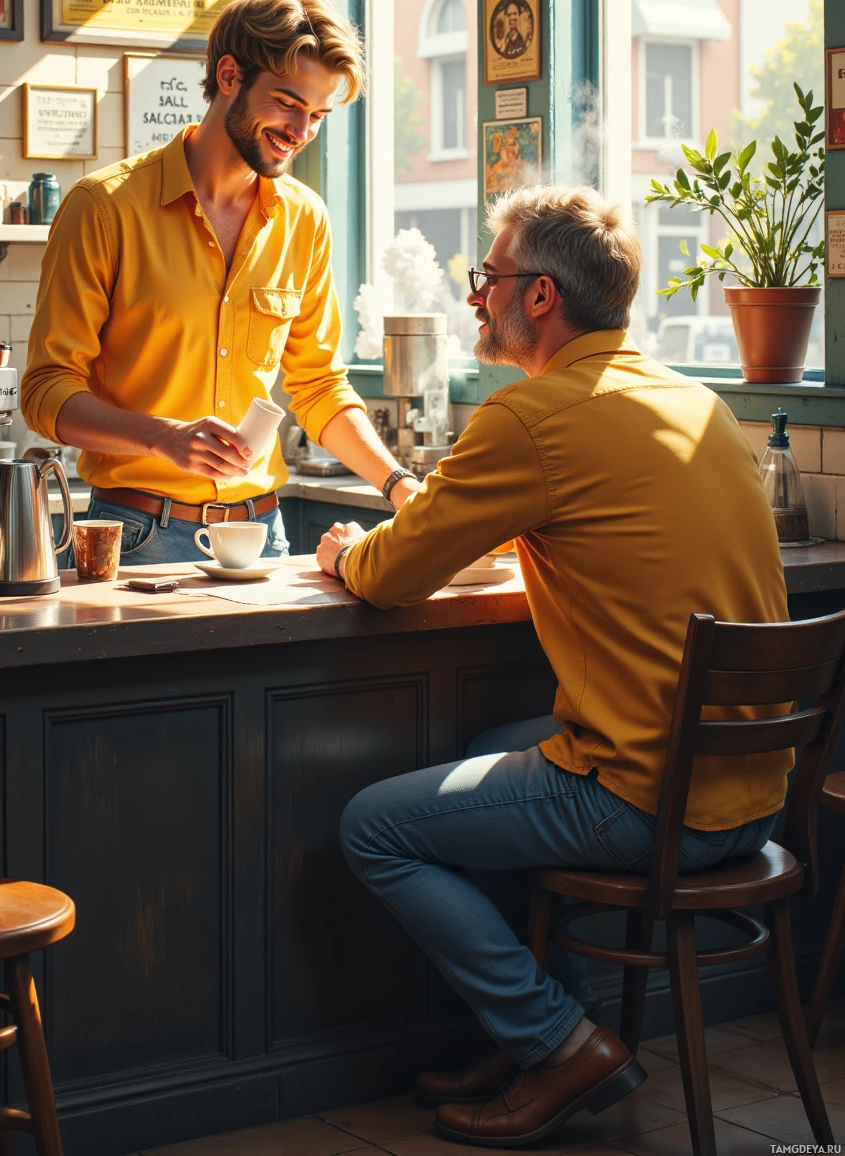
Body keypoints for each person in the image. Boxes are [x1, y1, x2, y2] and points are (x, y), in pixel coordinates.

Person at [316, 185, 789, 1148]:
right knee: (496, 744)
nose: (474, 299)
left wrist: (337, 555)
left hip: (652, 803)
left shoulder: (531, 418)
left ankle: (559, 1044)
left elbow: (395, 571)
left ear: (539, 298)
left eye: (486, 279)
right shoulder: (696, 401)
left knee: (375, 828)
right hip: (752, 791)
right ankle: (546, 1033)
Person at [21, 0, 421, 564]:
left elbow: (319, 386)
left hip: (265, 534)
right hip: (136, 535)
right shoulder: (104, 208)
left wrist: (399, 486)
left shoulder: (304, 218)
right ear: (229, 76)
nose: (301, 132)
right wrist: (164, 438)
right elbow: (45, 391)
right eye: (287, 102)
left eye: (318, 115)